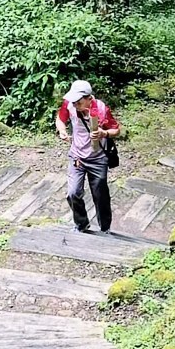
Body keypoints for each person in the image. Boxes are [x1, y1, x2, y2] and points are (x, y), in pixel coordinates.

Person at [55, 80, 120, 234]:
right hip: (77, 156)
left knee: (100, 195)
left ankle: (105, 228)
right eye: (74, 101)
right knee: (73, 193)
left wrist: (104, 133)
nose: (75, 104)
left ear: (89, 98)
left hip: (98, 158)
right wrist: (62, 130)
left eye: (79, 101)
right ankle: (81, 224)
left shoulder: (102, 109)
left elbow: (116, 130)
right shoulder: (69, 105)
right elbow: (60, 119)